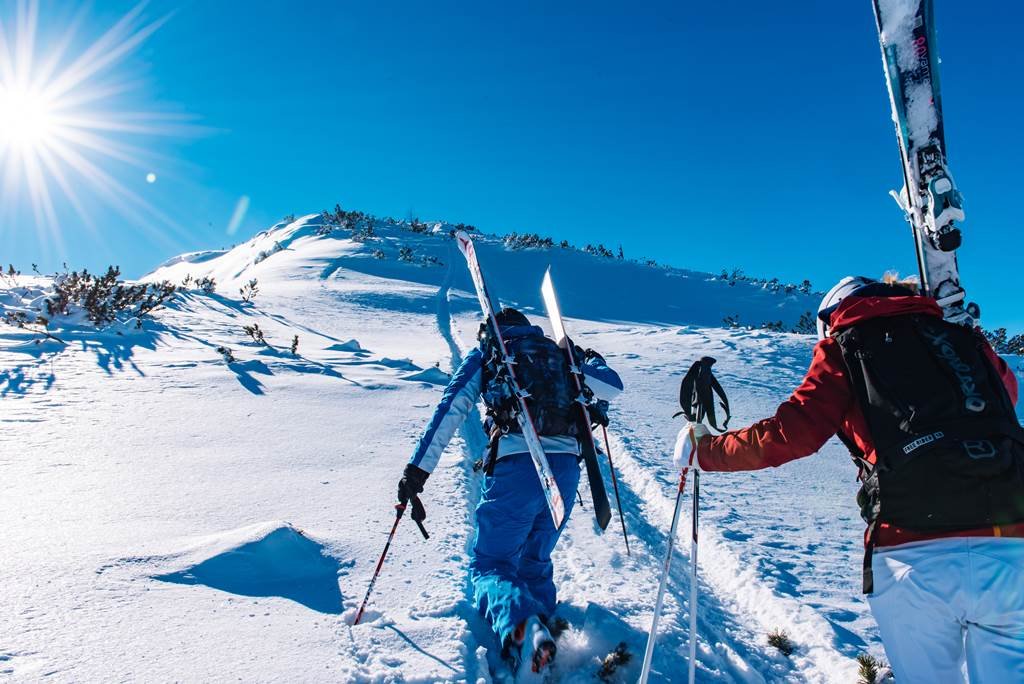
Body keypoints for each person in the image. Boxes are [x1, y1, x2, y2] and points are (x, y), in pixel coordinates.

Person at [688, 275, 1024, 682]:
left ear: (833, 316)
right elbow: (1006, 393)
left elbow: (793, 433)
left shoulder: (847, 344)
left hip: (912, 547)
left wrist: (705, 451)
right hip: (1010, 545)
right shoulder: (961, 338)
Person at [396, 307, 623, 679]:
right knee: (535, 558)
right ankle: (545, 627)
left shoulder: (491, 351)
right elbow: (612, 387)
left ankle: (524, 634)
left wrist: (416, 472)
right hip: (565, 470)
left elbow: (450, 408)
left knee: (492, 563)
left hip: (517, 464)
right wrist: (586, 358)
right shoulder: (562, 353)